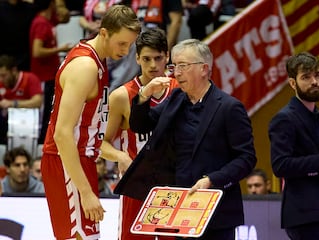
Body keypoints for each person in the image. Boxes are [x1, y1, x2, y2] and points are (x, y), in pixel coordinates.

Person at [114, 39, 257, 240]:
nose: (176, 72)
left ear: (204, 69)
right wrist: (144, 95)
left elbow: (246, 159)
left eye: (183, 66)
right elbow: (141, 125)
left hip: (214, 209)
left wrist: (212, 180)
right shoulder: (175, 99)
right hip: (179, 209)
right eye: (174, 66)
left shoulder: (229, 107)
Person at [40, 5, 141, 240]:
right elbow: (63, 134)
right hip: (65, 161)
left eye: (129, 45)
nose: (126, 52)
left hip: (79, 160)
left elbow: (86, 128)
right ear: (104, 33)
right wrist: (85, 192)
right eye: (122, 43)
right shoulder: (86, 66)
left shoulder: (97, 59)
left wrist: (119, 156)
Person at [100, 27, 178, 240]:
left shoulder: (180, 90)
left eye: (158, 58)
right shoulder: (122, 96)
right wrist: (121, 156)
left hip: (172, 185)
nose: (153, 65)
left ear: (167, 56)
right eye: (146, 59)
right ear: (136, 58)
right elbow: (100, 143)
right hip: (137, 185)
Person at [268, 51, 319, 240]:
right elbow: (280, 166)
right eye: (306, 77)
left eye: (317, 75)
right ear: (292, 83)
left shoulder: (318, 117)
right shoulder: (284, 119)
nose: (314, 81)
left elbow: (316, 165)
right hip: (302, 212)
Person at [108, 0, 183, 91]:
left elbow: (176, 21)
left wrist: (165, 48)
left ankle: (115, 89)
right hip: (131, 35)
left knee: (137, 37)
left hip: (155, 39)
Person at [30, 0, 73, 145]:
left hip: (50, 76)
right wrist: (59, 50)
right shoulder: (41, 23)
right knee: (43, 116)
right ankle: (39, 145)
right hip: (42, 76)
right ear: (50, 4)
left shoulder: (49, 21)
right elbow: (37, 51)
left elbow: (66, 18)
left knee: (49, 111)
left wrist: (62, 9)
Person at [0, 54, 43, 145]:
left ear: (14, 70)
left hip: (27, 124)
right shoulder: (1, 82)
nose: (1, 79)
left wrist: (13, 104)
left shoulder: (30, 78)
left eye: (4, 75)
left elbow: (38, 101)